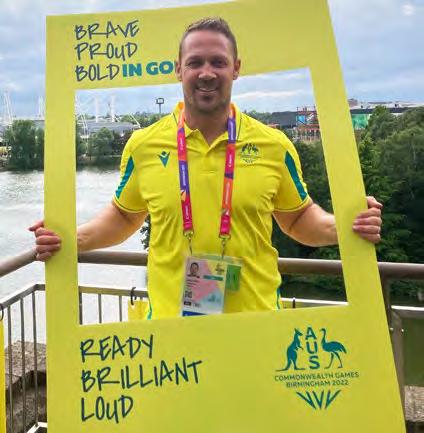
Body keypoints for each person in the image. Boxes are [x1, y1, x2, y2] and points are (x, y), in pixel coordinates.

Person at [30, 17, 382, 319]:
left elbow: (297, 218)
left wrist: (344, 227)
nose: (207, 73)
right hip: (172, 331)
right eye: (195, 62)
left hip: (258, 328)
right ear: (178, 69)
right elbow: (124, 217)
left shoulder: (274, 145)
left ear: (236, 68)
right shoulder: (143, 145)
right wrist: (70, 238)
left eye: (218, 62)